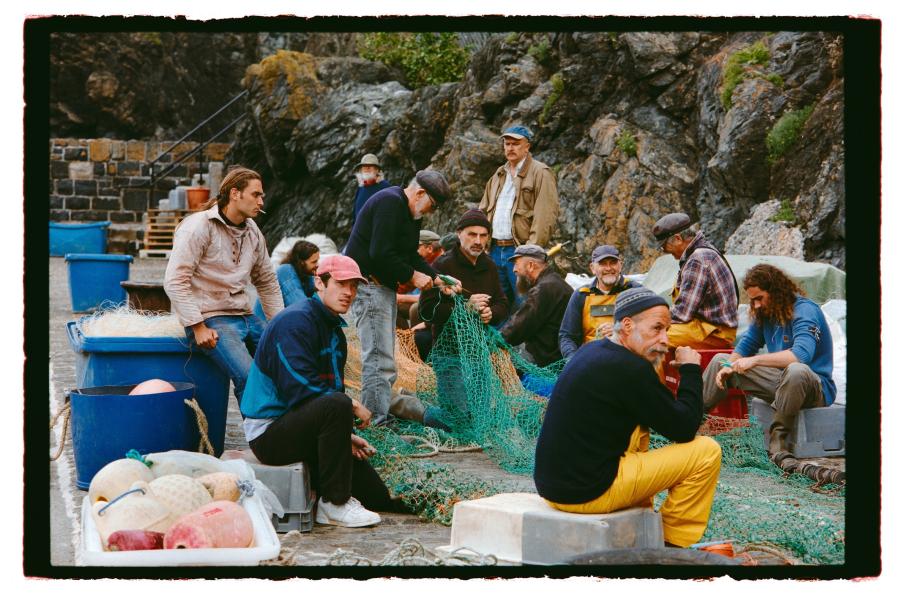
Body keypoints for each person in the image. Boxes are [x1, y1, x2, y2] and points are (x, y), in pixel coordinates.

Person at [534, 287, 722, 548]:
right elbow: (684, 428)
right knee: (706, 451)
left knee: (635, 430)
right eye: (656, 328)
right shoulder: (630, 368)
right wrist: (691, 370)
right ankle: (672, 543)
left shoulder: (592, 351)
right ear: (627, 325)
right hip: (589, 493)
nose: (665, 340)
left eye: (667, 330)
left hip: (554, 489)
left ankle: (642, 516)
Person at [241, 255, 402, 527]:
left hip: (299, 424)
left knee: (377, 495)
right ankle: (333, 504)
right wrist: (351, 405)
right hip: (269, 433)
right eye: (341, 284)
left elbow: (328, 393)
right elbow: (300, 389)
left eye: (354, 286)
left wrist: (344, 436)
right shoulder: (294, 322)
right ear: (320, 282)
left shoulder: (334, 331)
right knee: (338, 403)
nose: (349, 293)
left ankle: (342, 496)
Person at [164, 166, 283, 403]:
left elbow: (267, 281)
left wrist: (281, 325)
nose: (261, 201)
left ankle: (287, 432)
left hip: (245, 315)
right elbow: (175, 280)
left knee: (285, 367)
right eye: (256, 194)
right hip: (210, 318)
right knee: (249, 377)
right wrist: (198, 327)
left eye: (262, 196)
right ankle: (260, 439)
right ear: (235, 193)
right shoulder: (199, 226)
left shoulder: (253, 232)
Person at [344, 169, 452, 425]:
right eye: (432, 206)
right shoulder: (389, 202)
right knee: (379, 360)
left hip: (384, 289)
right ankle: (375, 422)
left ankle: (378, 414)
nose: (431, 212)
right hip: (370, 287)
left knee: (385, 358)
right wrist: (413, 277)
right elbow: (380, 253)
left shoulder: (409, 213)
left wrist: (438, 279)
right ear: (420, 193)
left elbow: (411, 256)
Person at [702, 264, 836, 459]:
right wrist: (729, 366)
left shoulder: (805, 311)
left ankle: (778, 441)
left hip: (814, 389)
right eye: (752, 300)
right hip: (782, 383)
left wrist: (755, 361)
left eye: (759, 299)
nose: (755, 305)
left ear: (776, 292)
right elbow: (745, 346)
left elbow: (800, 356)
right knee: (720, 361)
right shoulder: (766, 313)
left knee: (796, 369)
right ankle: (691, 421)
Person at [479, 125, 560, 308]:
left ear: (527, 146)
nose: (510, 148)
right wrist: (482, 245)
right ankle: (499, 338)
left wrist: (529, 252)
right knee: (496, 305)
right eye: (507, 144)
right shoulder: (498, 174)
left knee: (524, 304)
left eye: (515, 144)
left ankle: (524, 338)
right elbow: (483, 211)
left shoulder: (541, 172)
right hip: (493, 250)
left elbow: (545, 216)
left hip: (519, 251)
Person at [652, 212, 739, 349]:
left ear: (678, 238)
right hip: (703, 327)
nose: (665, 251)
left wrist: (652, 323)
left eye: (664, 247)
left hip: (713, 332)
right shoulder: (702, 251)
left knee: (652, 338)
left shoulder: (697, 259)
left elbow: (682, 313)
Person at [558, 244, 640, 359]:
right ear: (592, 268)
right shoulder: (581, 295)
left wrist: (622, 330)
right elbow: (567, 336)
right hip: (592, 361)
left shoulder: (636, 291)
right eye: (602, 263)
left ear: (620, 265)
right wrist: (573, 360)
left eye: (613, 262)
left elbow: (652, 327)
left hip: (628, 359)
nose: (608, 268)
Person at [499, 244, 571, 367]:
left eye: (517, 264)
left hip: (546, 356)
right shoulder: (554, 281)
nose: (514, 270)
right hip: (555, 350)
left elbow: (520, 325)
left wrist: (496, 339)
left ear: (531, 265)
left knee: (499, 360)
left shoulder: (544, 288)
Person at [252, 239, 319, 322]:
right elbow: (301, 307)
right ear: (302, 262)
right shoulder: (285, 271)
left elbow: (319, 289)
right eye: (314, 262)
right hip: (261, 330)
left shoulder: (304, 275)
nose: (317, 265)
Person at [396, 230, 444, 328]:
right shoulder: (422, 263)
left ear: (429, 248)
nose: (411, 252)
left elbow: (431, 297)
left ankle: (416, 340)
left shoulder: (441, 263)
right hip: (424, 301)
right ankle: (407, 339)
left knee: (415, 309)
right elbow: (404, 285)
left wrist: (400, 297)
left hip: (440, 305)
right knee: (394, 307)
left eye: (415, 248)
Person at [352, 153, 392, 223]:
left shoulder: (386, 188)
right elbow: (355, 215)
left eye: (370, 166)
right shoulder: (360, 188)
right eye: (364, 166)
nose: (366, 169)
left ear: (377, 170)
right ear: (361, 170)